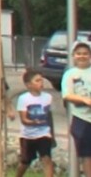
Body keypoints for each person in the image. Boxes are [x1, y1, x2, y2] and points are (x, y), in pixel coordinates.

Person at [14, 68, 55, 177]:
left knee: (46, 158)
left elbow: (49, 116)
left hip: (44, 133)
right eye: (37, 81)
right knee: (25, 161)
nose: (41, 83)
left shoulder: (48, 97)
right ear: (28, 85)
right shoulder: (23, 99)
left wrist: (52, 135)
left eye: (41, 80)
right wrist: (33, 122)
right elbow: (23, 119)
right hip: (28, 135)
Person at [61, 42, 91, 177]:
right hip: (81, 118)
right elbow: (67, 95)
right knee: (87, 154)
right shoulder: (70, 74)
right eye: (79, 53)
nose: (82, 56)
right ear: (73, 56)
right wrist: (84, 100)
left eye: (85, 53)